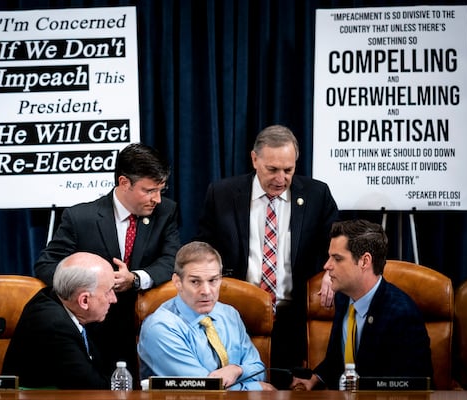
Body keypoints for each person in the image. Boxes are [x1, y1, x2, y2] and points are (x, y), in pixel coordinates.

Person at [193, 124, 339, 371]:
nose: (281, 179)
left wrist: (331, 271)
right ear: (254, 159)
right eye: (272, 169)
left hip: (294, 318)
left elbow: (338, 242)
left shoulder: (317, 194)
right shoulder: (223, 194)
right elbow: (205, 251)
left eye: (288, 170)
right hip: (237, 315)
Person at [33, 142, 181, 378]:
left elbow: (172, 258)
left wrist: (135, 278)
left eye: (160, 190)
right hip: (95, 333)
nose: (157, 199)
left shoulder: (166, 213)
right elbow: (46, 266)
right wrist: (93, 283)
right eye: (149, 190)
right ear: (124, 183)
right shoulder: (80, 218)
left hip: (149, 329)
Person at [290, 219, 433, 390]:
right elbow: (338, 361)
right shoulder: (344, 298)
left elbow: (411, 387)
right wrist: (315, 378)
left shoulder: (402, 315)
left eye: (337, 258)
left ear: (364, 261)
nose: (326, 265)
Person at [137, 241, 276, 391]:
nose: (206, 291)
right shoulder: (160, 328)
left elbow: (259, 371)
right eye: (195, 281)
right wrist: (257, 388)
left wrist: (237, 370)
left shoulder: (229, 314)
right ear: (177, 282)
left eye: (213, 280)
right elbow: (205, 389)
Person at [2, 252, 116, 389]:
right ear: (84, 300)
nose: (114, 299)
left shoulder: (52, 296)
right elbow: (91, 388)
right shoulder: (54, 326)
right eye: (108, 291)